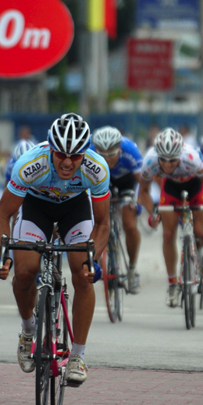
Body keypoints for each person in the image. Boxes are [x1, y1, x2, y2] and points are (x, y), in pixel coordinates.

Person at [0, 113, 109, 386]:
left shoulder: (97, 168)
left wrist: (94, 259)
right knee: (24, 272)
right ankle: (28, 330)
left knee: (82, 274)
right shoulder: (30, 164)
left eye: (76, 156)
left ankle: (78, 356)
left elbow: (103, 223)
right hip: (37, 208)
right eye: (61, 155)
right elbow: (1, 213)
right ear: (51, 150)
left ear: (85, 154)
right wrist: (3, 255)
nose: (68, 162)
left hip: (75, 208)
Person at [138, 128, 203, 307]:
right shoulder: (150, 161)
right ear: (157, 156)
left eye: (173, 160)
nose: (168, 165)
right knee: (168, 235)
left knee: (202, 231)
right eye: (164, 160)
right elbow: (143, 193)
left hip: (196, 186)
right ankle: (172, 284)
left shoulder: (191, 158)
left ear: (180, 155)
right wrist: (153, 211)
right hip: (171, 188)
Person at [91, 125, 144, 293]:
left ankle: (132, 269)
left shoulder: (131, 151)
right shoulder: (89, 152)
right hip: (100, 182)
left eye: (111, 155)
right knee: (93, 220)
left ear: (120, 150)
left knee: (129, 224)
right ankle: (94, 260)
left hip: (125, 183)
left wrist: (138, 203)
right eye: (102, 155)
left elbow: (143, 184)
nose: (107, 160)